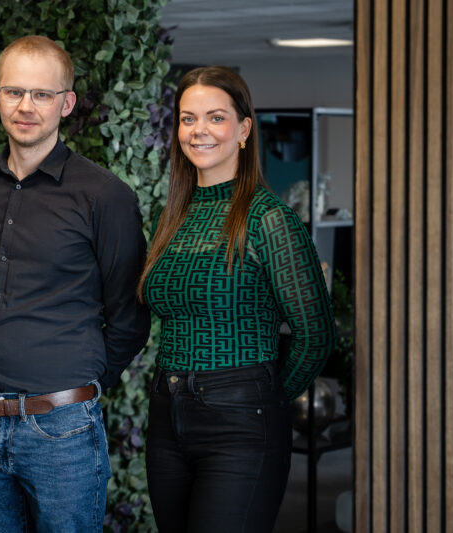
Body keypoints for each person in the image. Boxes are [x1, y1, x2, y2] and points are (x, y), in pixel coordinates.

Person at [0, 35, 151, 532]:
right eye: (14, 91)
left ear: (67, 103)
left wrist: (78, 389)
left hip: (61, 428)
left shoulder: (104, 196)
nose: (26, 106)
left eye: (42, 94)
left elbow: (129, 316)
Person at [139, 66, 335, 533]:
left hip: (241, 423)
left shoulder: (269, 219)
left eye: (216, 117)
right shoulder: (171, 217)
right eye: (188, 119)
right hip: (167, 416)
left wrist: (263, 399)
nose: (199, 130)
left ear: (244, 129)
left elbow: (315, 335)